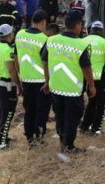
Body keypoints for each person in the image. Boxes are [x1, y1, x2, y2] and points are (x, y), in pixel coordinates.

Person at [42, 10, 96, 154]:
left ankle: (62, 140)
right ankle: (69, 146)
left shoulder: (51, 40)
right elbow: (87, 68)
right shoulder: (81, 44)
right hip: (72, 90)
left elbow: (45, 62)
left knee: (59, 115)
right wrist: (91, 85)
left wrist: (47, 82)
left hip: (55, 87)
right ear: (78, 25)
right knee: (72, 118)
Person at [15, 10, 51, 147]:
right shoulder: (44, 39)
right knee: (41, 110)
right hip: (41, 81)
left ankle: (29, 136)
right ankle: (38, 136)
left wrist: (21, 74)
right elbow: (46, 63)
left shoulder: (19, 34)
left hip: (26, 79)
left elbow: (15, 58)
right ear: (43, 22)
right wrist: (48, 81)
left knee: (29, 109)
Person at [0, 24, 22, 150]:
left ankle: (2, 137)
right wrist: (18, 85)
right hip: (7, 86)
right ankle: (2, 142)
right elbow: (11, 70)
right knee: (8, 114)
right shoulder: (8, 50)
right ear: (9, 35)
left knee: (2, 112)